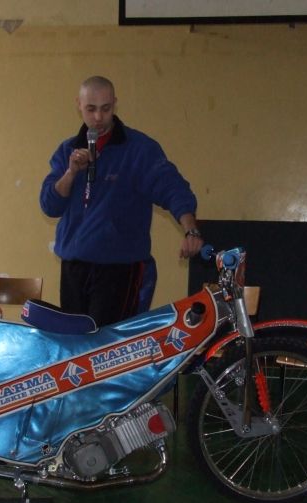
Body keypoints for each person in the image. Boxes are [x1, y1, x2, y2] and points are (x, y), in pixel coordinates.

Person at [40, 75, 204, 326]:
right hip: (74, 268)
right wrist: (71, 173)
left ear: (115, 104)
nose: (98, 117)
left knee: (110, 347)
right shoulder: (67, 150)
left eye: (106, 108)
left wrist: (191, 230)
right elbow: (49, 205)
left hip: (120, 269)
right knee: (75, 345)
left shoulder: (139, 149)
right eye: (91, 109)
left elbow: (173, 189)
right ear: (78, 105)